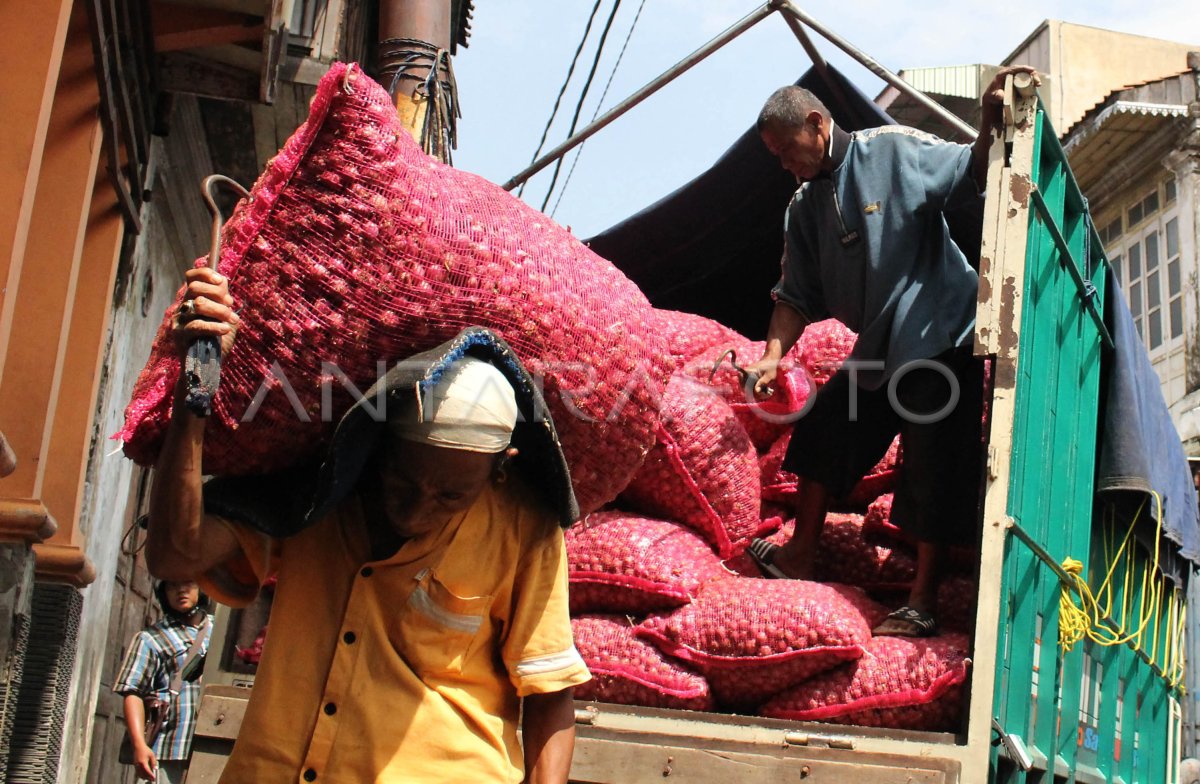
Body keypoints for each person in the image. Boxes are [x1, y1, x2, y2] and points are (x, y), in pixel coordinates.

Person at [145, 268, 590, 783]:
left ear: (500, 469)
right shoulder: (315, 495)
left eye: (450, 496)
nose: (418, 509)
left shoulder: (524, 527)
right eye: (403, 481)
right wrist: (193, 395)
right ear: (378, 450)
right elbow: (174, 556)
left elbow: (550, 693)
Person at [745, 66, 1038, 637]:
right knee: (824, 429)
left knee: (931, 462)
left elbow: (967, 170)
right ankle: (799, 554)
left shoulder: (892, 150)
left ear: (816, 122)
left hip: (939, 331)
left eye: (787, 150)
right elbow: (794, 297)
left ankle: (922, 601)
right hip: (880, 345)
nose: (785, 164)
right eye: (776, 156)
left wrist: (987, 124)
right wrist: (771, 354)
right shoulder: (803, 208)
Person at [113, 579, 212, 783]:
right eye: (172, 585)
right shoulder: (151, 638)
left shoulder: (221, 633)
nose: (181, 589)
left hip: (213, 747)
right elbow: (132, 693)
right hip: (168, 748)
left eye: (189, 582)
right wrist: (139, 745)